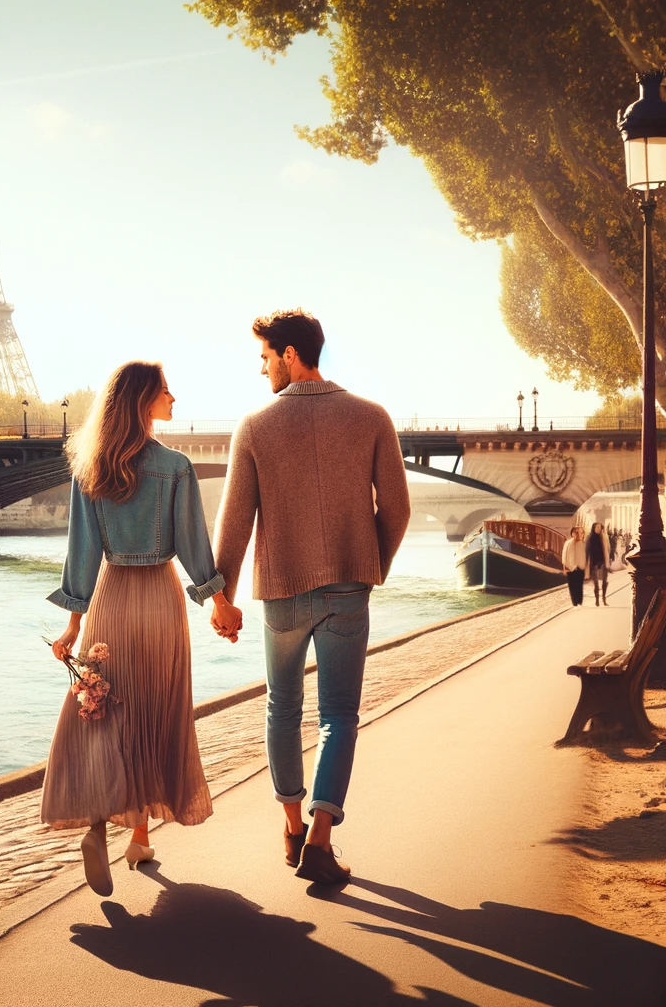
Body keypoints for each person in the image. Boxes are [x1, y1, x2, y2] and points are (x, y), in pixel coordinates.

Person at [213, 309, 411, 886]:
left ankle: (292, 827)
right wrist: (368, 563)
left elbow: (235, 525)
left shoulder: (254, 426)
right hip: (348, 588)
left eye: (266, 357)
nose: (263, 369)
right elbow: (396, 510)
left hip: (282, 592)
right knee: (340, 715)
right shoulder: (372, 417)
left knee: (283, 707)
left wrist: (222, 597)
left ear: (291, 354)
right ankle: (322, 841)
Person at [44, 361, 242, 897]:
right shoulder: (175, 467)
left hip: (110, 600)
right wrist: (218, 601)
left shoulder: (90, 468)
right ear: (142, 401)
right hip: (158, 599)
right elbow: (193, 546)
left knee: (106, 711)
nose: (173, 397)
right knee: (155, 711)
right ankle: (137, 836)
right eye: (164, 391)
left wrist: (72, 623)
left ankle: (112, 832)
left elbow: (80, 555)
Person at [587, 522, 611, 605]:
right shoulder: (590, 538)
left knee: (605, 581)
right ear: (593, 528)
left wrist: (608, 561)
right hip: (594, 563)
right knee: (596, 583)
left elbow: (608, 549)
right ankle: (597, 600)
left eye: (599, 527)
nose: (598, 529)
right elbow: (588, 551)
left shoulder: (604, 537)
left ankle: (604, 599)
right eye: (596, 527)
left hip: (603, 561)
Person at [562, 526, 586, 607]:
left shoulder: (583, 544)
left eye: (581, 533)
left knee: (579, 586)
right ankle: (574, 603)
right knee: (572, 586)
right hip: (570, 567)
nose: (578, 534)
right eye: (576, 532)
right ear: (572, 534)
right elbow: (564, 556)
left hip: (581, 567)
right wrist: (564, 568)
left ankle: (580, 602)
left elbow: (586, 557)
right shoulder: (567, 543)